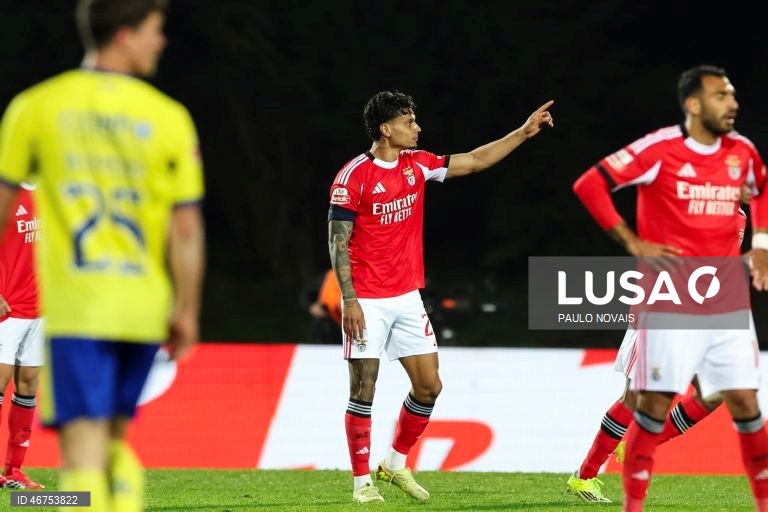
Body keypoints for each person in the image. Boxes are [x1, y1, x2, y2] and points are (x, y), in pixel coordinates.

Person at [0, 0, 206, 510]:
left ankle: (75, 499)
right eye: (155, 30)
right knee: (113, 442)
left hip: (75, 308)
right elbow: (185, 227)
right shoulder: (170, 117)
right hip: (142, 308)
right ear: (123, 34)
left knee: (84, 452)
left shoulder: (35, 106)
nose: (162, 42)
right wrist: (186, 307)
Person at [328, 90, 554, 503]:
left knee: (429, 387)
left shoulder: (418, 165)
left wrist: (523, 133)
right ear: (386, 129)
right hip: (367, 299)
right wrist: (350, 300)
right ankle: (362, 484)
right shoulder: (353, 177)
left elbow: (475, 160)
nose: (417, 128)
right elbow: (337, 242)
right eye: (409, 122)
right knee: (364, 389)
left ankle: (394, 463)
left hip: (407, 297)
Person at [571, 64, 768, 511]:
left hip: (714, 307)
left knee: (720, 395)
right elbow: (593, 184)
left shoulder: (736, 195)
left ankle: (642, 445)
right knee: (638, 397)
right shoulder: (668, 153)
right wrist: (634, 242)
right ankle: (585, 475)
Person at [565, 206, 748, 503]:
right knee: (635, 398)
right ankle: (584, 477)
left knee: (713, 393)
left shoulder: (737, 214)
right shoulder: (687, 199)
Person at [0, 185, 44, 489]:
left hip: (41, 309)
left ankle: (14, 471)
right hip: (8, 309)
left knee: (28, 383)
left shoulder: (51, 192)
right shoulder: (6, 194)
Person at [305, 269, 342, 343]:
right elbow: (307, 293)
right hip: (328, 322)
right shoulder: (329, 277)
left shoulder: (362, 278)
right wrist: (312, 305)